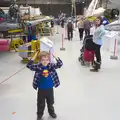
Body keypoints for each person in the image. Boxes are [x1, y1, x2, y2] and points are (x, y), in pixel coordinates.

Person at [26, 51, 63, 120]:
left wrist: (55, 56)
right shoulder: (38, 66)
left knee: (50, 102)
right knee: (40, 103)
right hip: (41, 89)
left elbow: (60, 64)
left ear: (49, 60)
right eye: (42, 60)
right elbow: (29, 65)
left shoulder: (51, 66)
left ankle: (51, 112)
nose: (45, 61)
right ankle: (39, 115)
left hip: (50, 89)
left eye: (47, 60)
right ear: (40, 61)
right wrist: (34, 56)